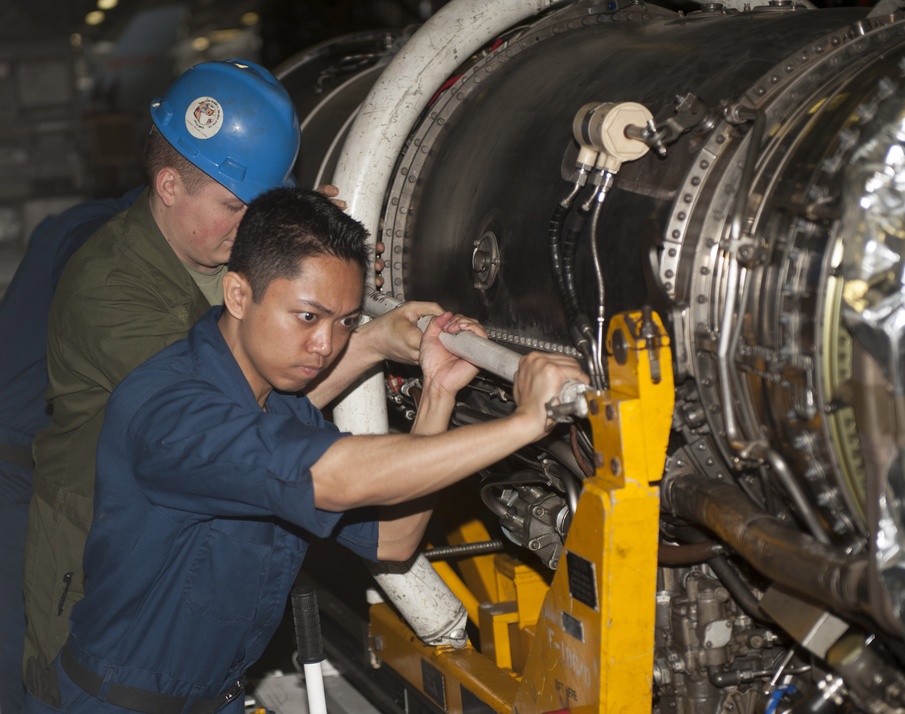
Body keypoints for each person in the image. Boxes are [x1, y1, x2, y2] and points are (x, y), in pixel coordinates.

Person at [22, 187, 586, 714]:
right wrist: (528, 421)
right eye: (308, 316)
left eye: (344, 322)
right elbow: (336, 477)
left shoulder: (281, 402)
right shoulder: (170, 411)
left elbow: (394, 538)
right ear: (238, 294)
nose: (327, 345)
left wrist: (438, 392)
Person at [22, 58, 425, 699]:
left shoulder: (212, 253)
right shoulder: (110, 291)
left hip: (188, 577)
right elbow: (246, 423)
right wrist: (368, 341)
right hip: (104, 582)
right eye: (235, 206)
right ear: (169, 186)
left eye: (260, 207)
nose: (248, 226)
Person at [0, 187, 143, 714]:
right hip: (12, 474)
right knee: (19, 676)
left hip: (21, 463)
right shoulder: (102, 240)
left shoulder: (73, 222)